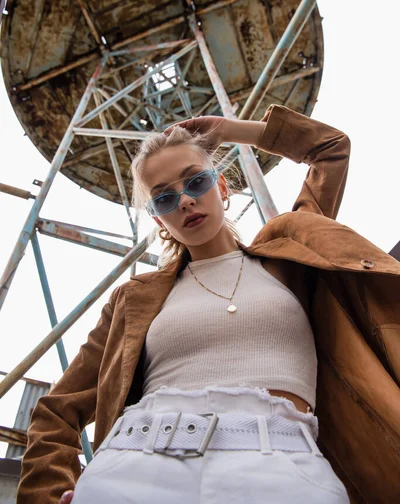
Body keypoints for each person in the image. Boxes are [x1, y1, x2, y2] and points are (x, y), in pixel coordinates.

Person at [17, 105, 400, 504]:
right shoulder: (135, 298)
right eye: (164, 199)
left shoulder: (290, 261)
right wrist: (47, 494)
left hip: (283, 467)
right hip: (136, 466)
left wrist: (232, 130)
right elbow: (56, 412)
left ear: (222, 188)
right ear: (158, 220)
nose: (184, 201)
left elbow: (331, 149)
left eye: (196, 182)